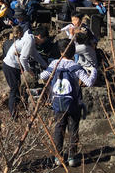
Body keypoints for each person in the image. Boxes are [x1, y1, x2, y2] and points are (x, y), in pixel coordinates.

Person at [40, 39, 97, 167]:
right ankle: (72, 157)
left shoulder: (55, 63)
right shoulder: (75, 67)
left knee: (59, 128)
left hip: (57, 103)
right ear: (73, 52)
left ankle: (58, 157)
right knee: (73, 129)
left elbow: (42, 76)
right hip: (73, 104)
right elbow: (89, 82)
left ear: (60, 52)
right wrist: (94, 71)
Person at [2, 25, 48, 117]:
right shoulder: (29, 40)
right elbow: (23, 58)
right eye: (44, 39)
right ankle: (13, 115)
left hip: (13, 66)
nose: (44, 42)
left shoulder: (30, 39)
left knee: (17, 88)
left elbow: (35, 54)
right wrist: (28, 70)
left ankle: (18, 110)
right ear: (39, 36)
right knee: (14, 90)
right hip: (10, 65)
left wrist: (45, 65)